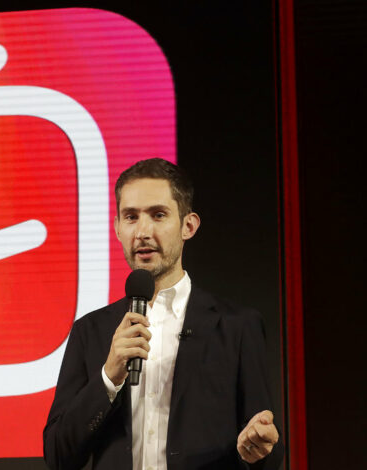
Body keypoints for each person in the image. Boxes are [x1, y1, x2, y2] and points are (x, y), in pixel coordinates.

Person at [43, 158, 284, 470]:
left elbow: (269, 450)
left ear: (188, 226)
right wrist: (108, 378)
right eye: (131, 217)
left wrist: (257, 449)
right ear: (117, 228)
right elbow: (58, 456)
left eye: (158, 215)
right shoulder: (90, 331)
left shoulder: (237, 326)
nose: (143, 231)